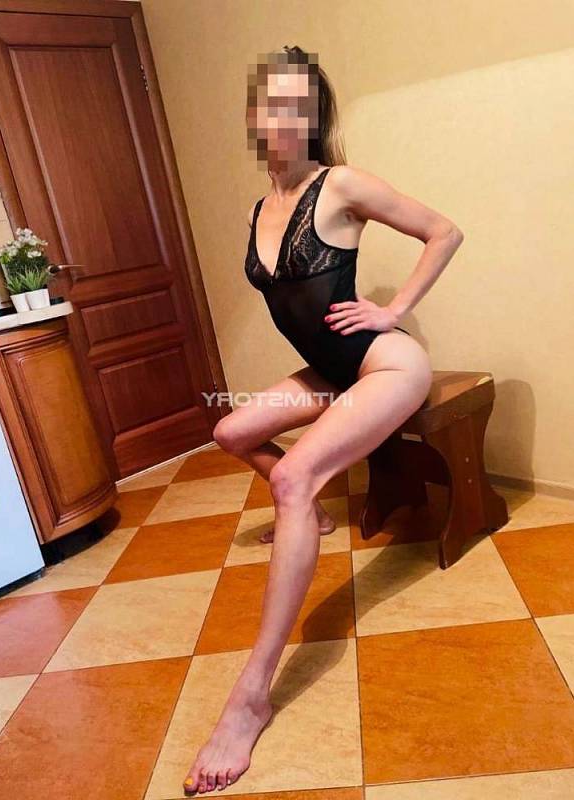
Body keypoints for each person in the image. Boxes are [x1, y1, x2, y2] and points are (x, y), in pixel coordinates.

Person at [183, 45, 463, 794]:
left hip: (386, 365)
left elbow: (444, 231)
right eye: (268, 103)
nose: (279, 118)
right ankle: (313, 511)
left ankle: (251, 696)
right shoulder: (259, 207)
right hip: (331, 372)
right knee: (230, 431)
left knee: (295, 477)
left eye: (294, 106)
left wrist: (394, 310)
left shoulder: (339, 184)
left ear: (313, 118)